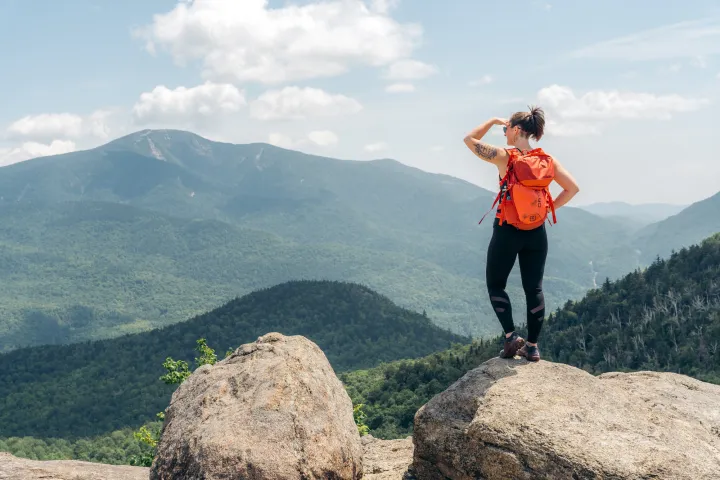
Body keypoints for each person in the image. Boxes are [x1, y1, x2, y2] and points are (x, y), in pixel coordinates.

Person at [463, 106, 579, 362]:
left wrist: (493, 120)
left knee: (496, 284)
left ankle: (510, 336)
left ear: (516, 130)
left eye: (506, 129)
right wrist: (547, 210)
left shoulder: (505, 157)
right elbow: (572, 188)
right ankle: (532, 347)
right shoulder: (547, 160)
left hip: (507, 230)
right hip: (536, 231)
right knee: (534, 287)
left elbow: (469, 140)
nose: (504, 133)